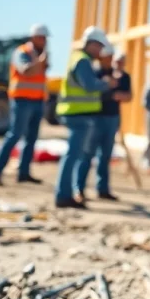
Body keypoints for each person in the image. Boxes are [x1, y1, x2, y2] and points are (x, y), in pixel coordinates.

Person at [54, 26, 117, 210]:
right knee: (74, 155)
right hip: (77, 114)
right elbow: (89, 86)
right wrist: (106, 84)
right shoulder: (82, 61)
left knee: (75, 155)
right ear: (91, 44)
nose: (100, 51)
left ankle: (66, 194)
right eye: (99, 47)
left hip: (78, 113)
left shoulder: (79, 58)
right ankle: (63, 195)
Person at [0, 23, 50, 186]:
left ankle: (24, 173)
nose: (44, 41)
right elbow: (26, 71)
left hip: (38, 100)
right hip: (22, 100)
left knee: (31, 138)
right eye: (41, 38)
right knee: (14, 135)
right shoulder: (22, 52)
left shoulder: (41, 55)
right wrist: (40, 62)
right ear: (33, 38)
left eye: (45, 38)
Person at [75, 46, 131, 202]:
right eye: (107, 56)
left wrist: (117, 94)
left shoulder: (118, 75)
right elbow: (92, 91)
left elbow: (127, 95)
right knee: (87, 153)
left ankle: (103, 189)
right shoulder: (94, 73)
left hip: (112, 118)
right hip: (95, 118)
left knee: (105, 155)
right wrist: (109, 91)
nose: (109, 59)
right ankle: (79, 188)